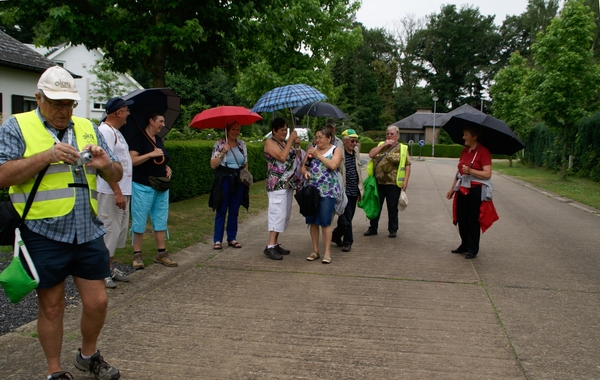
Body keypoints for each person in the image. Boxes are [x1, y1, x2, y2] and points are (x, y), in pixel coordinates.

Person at [0, 66, 122, 379]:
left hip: (87, 229)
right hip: (43, 231)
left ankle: (88, 354)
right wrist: (47, 155)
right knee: (52, 306)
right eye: (56, 103)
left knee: (97, 302)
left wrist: (106, 165)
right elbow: (2, 175)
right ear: (38, 99)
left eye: (69, 104)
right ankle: (55, 371)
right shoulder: (17, 126)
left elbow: (115, 173)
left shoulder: (87, 127)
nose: (64, 111)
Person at [129, 110, 177, 269]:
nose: (163, 125)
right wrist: (151, 154)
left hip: (160, 185)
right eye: (160, 121)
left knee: (161, 218)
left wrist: (167, 167)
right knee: (140, 219)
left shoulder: (158, 140)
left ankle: (161, 253)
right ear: (151, 121)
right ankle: (137, 255)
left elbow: (161, 159)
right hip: (143, 185)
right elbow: (132, 160)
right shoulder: (138, 139)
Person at [97, 97, 133, 288]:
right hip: (111, 192)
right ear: (118, 112)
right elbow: (106, 165)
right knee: (109, 230)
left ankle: (109, 268)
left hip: (122, 190)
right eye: (126, 110)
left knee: (117, 232)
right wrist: (117, 192)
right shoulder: (105, 132)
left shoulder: (116, 132)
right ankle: (102, 273)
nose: (128, 113)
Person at [445, 126, 496, 259]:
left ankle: (473, 248)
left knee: (473, 219)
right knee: (461, 218)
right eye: (463, 134)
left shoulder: (483, 152)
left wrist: (471, 171)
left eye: (466, 135)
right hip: (462, 187)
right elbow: (459, 173)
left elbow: (487, 174)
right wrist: (452, 189)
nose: (464, 138)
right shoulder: (464, 151)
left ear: (475, 136)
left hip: (476, 189)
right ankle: (464, 244)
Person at [301, 127, 343, 264]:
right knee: (312, 221)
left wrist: (318, 155)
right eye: (316, 137)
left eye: (320, 137)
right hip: (312, 190)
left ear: (329, 138)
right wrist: (305, 172)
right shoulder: (311, 149)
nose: (317, 140)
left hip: (328, 190)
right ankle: (315, 251)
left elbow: (333, 165)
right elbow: (303, 166)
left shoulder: (336, 150)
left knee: (325, 221)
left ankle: (327, 253)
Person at [263, 118, 302, 260]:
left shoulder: (285, 143)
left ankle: (275, 243)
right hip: (276, 184)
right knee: (276, 213)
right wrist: (291, 141)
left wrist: (297, 145)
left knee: (284, 215)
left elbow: (296, 158)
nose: (284, 132)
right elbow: (281, 157)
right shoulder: (269, 143)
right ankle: (270, 246)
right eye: (282, 130)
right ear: (274, 130)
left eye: (286, 129)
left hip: (288, 184)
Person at [364, 125, 411, 238]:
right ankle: (373, 228)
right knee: (376, 206)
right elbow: (371, 154)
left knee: (392, 208)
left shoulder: (402, 148)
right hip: (378, 182)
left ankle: (393, 229)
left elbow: (407, 164)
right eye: (387, 134)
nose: (389, 136)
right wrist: (384, 144)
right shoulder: (381, 145)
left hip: (393, 183)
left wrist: (405, 180)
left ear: (397, 135)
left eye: (392, 134)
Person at [209, 121, 250, 250]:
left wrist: (245, 175)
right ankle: (217, 240)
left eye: (238, 129)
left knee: (234, 210)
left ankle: (232, 237)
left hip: (238, 180)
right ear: (227, 130)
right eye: (233, 129)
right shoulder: (219, 144)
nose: (236, 132)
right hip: (224, 180)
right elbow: (213, 165)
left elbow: (245, 163)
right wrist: (222, 152)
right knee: (221, 209)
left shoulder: (241, 144)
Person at [331, 129, 363, 252]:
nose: (355, 143)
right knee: (347, 218)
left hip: (354, 191)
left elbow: (358, 171)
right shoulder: (338, 153)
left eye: (356, 141)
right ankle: (348, 242)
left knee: (347, 218)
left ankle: (335, 235)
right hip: (343, 191)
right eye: (352, 141)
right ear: (344, 141)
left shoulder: (356, 152)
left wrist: (360, 190)